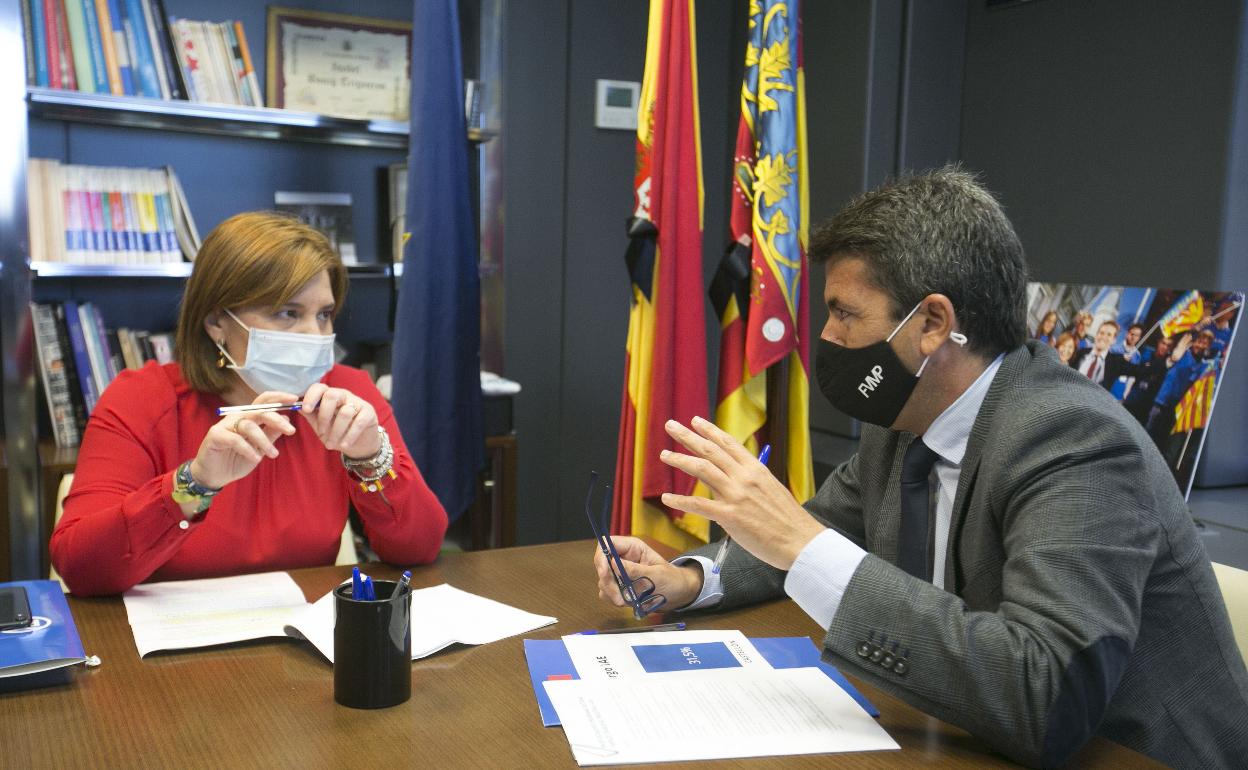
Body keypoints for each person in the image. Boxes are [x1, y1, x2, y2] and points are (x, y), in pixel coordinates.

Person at [592, 168, 1248, 768]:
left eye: (845, 314)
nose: (825, 338)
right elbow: (807, 535)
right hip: (957, 734)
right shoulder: (907, 422)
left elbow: (1045, 698)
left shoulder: (1074, 444)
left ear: (933, 323)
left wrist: (802, 542)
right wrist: (689, 579)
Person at [51, 212, 449, 596]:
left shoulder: (347, 394)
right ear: (216, 322)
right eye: (286, 313)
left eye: (324, 314)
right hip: (171, 647)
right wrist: (194, 484)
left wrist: (370, 457)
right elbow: (82, 567)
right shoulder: (142, 399)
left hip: (302, 644)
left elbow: (420, 548)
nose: (314, 334)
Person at [1072, 319, 1142, 397]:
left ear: (1113, 340)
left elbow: (1139, 371)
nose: (1104, 337)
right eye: (1101, 333)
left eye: (1109, 334)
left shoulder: (1115, 361)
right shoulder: (1081, 352)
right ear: (1096, 334)